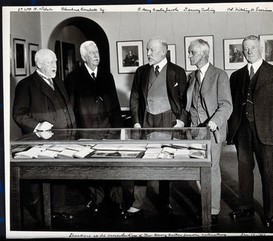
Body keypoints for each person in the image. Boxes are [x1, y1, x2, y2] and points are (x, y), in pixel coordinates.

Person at [227, 35, 273, 228]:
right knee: (244, 171)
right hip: (243, 131)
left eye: (253, 47)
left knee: (268, 172)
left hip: (267, 131)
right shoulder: (236, 76)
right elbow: (233, 107)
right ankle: (245, 207)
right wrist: (233, 132)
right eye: (246, 48)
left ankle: (270, 214)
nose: (249, 51)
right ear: (242, 51)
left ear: (260, 49)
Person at [13, 48, 76, 222]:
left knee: (60, 177)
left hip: (64, 139)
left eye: (55, 61)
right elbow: (19, 114)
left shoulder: (59, 82)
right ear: (39, 64)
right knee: (41, 181)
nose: (55, 65)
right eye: (50, 62)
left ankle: (58, 209)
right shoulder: (26, 85)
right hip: (42, 141)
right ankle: (43, 216)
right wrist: (38, 125)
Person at [127, 36, 188, 219]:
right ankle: (137, 203)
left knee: (165, 160)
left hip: (168, 120)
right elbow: (135, 98)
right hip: (146, 120)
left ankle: (164, 202)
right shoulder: (141, 71)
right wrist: (136, 121)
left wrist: (181, 120)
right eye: (147, 50)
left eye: (152, 50)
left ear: (163, 51)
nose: (148, 53)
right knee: (141, 160)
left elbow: (185, 99)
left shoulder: (177, 71)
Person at [65, 40, 123, 215]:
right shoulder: (73, 78)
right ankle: (96, 200)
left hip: (109, 129)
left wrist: (118, 128)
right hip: (87, 130)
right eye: (92, 53)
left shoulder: (107, 75)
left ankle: (118, 202)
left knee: (114, 165)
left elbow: (115, 103)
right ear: (84, 57)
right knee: (93, 167)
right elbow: (71, 107)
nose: (96, 55)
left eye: (97, 51)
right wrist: (75, 133)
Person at [185, 39, 233, 225]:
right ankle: (206, 202)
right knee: (198, 169)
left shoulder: (220, 75)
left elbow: (226, 105)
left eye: (192, 53)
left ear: (204, 54)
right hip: (194, 130)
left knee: (211, 169)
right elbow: (189, 104)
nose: (189, 55)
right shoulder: (191, 76)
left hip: (211, 130)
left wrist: (215, 122)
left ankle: (212, 209)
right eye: (189, 52)